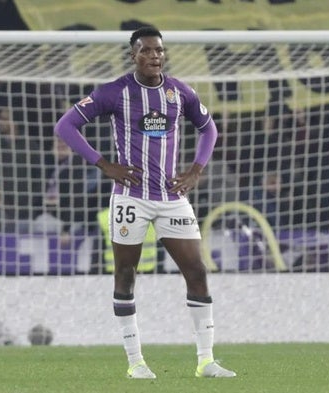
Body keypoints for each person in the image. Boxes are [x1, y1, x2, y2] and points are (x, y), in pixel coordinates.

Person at [55, 26, 236, 379]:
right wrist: (104, 164)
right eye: (147, 51)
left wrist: (196, 170)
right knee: (126, 274)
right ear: (133, 55)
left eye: (159, 51)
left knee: (197, 271)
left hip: (171, 197)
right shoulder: (114, 92)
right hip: (130, 197)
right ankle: (136, 363)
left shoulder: (178, 91)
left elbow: (209, 128)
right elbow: (66, 126)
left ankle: (206, 361)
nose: (155, 56)